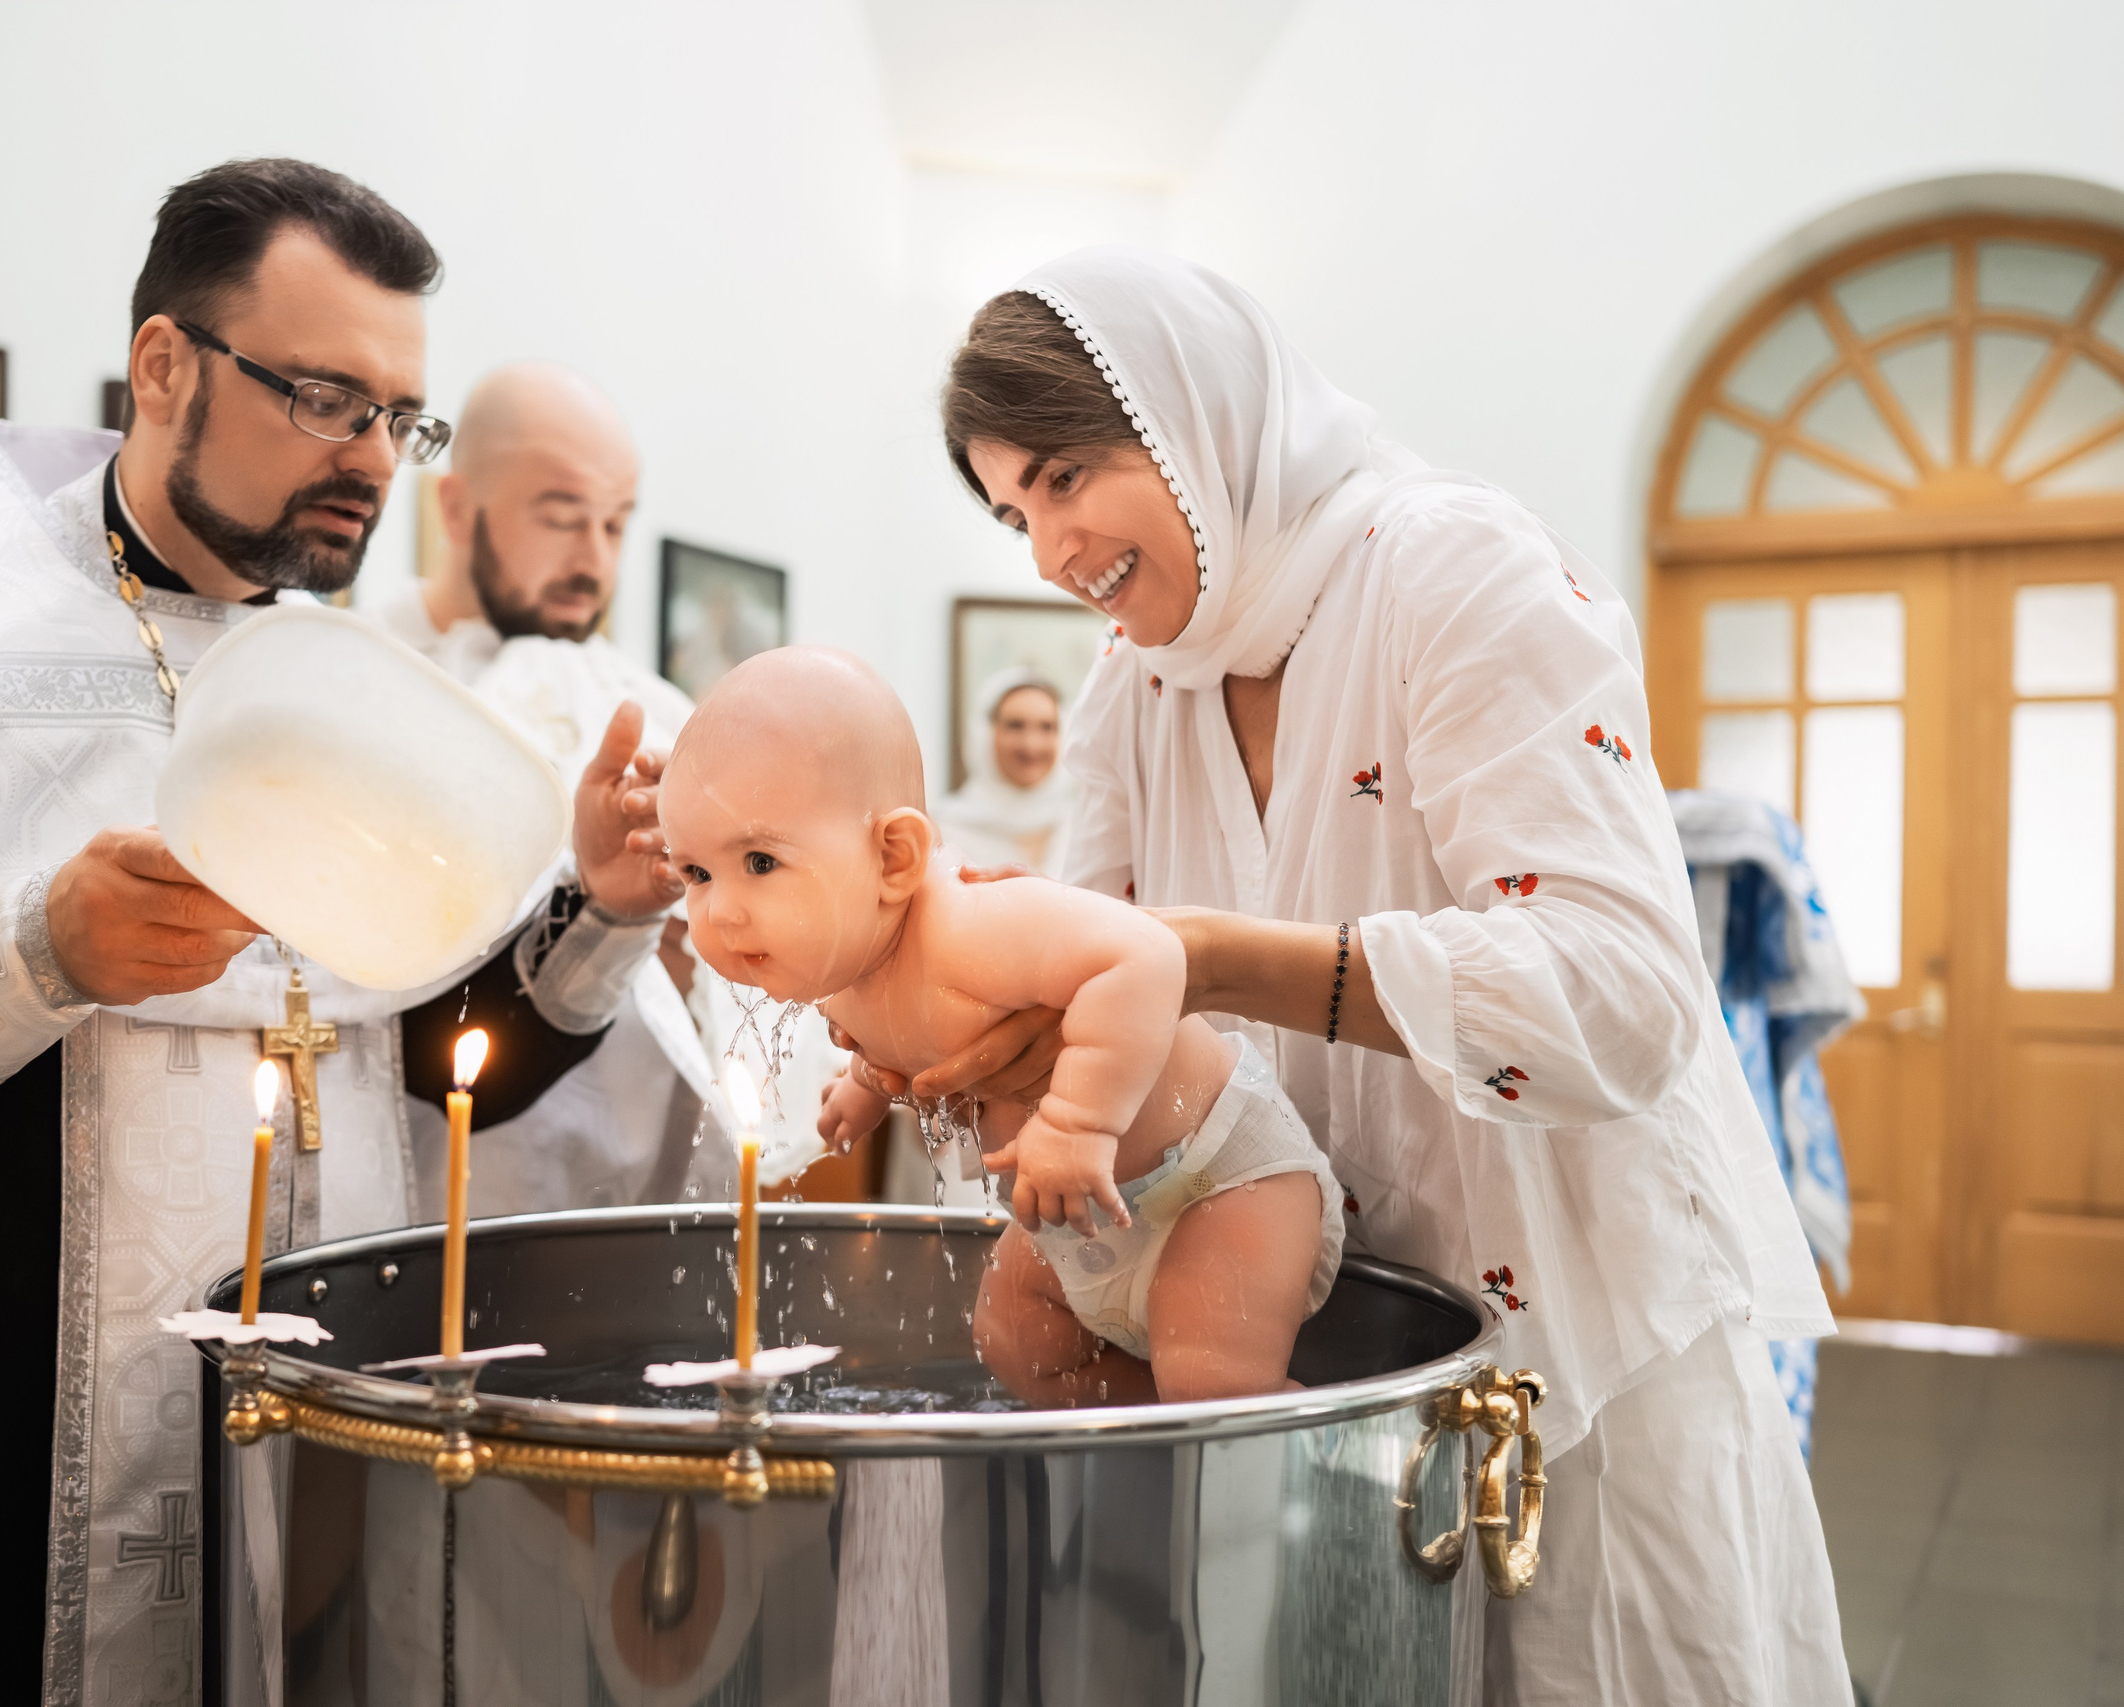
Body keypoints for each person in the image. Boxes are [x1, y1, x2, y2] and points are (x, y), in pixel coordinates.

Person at [0, 160, 680, 1706]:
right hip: (2, 1451)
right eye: (326, 399)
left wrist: (601, 902)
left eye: (399, 419)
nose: (372, 459)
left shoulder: (357, 694)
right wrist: (34, 950)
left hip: (319, 1437)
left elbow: (425, 1053)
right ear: (165, 365)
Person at [875, 248, 1850, 1704]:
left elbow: (1625, 990)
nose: (1050, 552)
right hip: (1315, 1352)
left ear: (1195, 415)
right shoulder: (1134, 686)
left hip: (1570, 1362)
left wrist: (1218, 961)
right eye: (1017, 511)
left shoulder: (1451, 569)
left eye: (1067, 477)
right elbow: (1085, 982)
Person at [661, 646, 1342, 1404]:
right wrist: (863, 1086)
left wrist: (1078, 1122)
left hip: (1216, 1178)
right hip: (1080, 1212)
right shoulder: (839, 961)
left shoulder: (973, 925)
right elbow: (899, 1036)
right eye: (695, 873)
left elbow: (1146, 957)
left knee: (1213, 1382)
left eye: (759, 862)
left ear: (894, 858)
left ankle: (1283, 1444)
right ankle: (1156, 1448)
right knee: (1012, 1340)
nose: (720, 911)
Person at [369, 363, 728, 1211]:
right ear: (456, 508)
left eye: (616, 523)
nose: (594, 559)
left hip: (631, 1200)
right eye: (563, 517)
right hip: (430, 1186)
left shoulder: (660, 712)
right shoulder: (367, 682)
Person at [933, 667, 1073, 874]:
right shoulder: (944, 831)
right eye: (1015, 726)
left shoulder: (1083, 827)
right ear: (985, 734)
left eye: (1047, 727)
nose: (1031, 744)